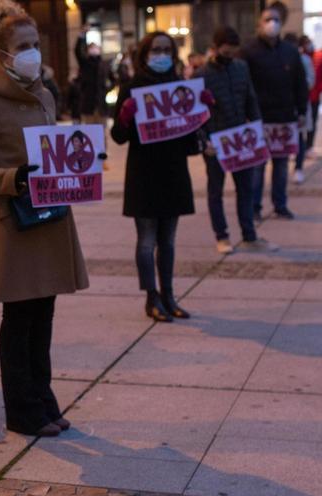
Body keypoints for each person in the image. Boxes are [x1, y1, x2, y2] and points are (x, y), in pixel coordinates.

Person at [0, 0, 88, 438]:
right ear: (0, 54)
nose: (34, 52)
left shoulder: (46, 95)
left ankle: (44, 399)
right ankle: (21, 409)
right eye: (23, 46)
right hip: (13, 223)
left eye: (36, 43)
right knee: (19, 321)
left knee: (44, 316)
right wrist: (14, 178)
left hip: (51, 219)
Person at [113, 31, 202, 322]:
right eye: (156, 49)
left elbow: (191, 143)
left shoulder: (180, 86)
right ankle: (151, 296)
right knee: (147, 240)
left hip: (173, 171)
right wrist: (125, 117)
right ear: (145, 53)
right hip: (144, 172)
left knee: (169, 240)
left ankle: (169, 294)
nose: (161, 55)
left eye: (166, 49)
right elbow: (118, 136)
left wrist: (202, 116)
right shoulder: (131, 87)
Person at [201, 26, 277, 254]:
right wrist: (204, 141)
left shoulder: (241, 68)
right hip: (215, 141)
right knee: (216, 190)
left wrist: (258, 126)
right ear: (215, 49)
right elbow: (197, 115)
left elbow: (250, 99)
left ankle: (249, 234)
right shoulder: (202, 76)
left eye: (233, 52)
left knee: (246, 187)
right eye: (225, 52)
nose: (229, 56)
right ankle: (221, 236)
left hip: (240, 138)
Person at [242, 1, 307, 220]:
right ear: (259, 24)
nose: (272, 24)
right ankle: (255, 207)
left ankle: (280, 204)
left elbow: (299, 83)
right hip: (259, 119)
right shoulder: (249, 52)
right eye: (267, 20)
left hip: (285, 118)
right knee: (258, 167)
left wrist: (302, 111)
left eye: (276, 20)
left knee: (281, 166)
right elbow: (244, 86)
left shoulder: (290, 52)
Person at [293, 35, 316, 183]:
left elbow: (310, 81)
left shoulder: (304, 60)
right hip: (282, 108)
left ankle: (298, 167)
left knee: (300, 137)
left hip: (299, 104)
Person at [74, 32, 112, 123]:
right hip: (88, 104)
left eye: (95, 48)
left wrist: (107, 88)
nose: (94, 50)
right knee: (90, 132)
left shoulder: (104, 64)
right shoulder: (85, 63)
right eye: (91, 48)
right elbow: (77, 52)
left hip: (101, 105)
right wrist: (81, 37)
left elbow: (112, 78)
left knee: (102, 131)